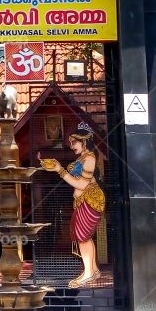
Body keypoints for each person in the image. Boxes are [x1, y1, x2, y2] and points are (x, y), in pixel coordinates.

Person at [43, 123, 105, 288]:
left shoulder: (90, 158)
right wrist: (55, 168)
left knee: (83, 237)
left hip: (90, 200)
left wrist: (59, 170)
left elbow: (82, 185)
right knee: (85, 237)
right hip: (82, 201)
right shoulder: (81, 158)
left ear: (84, 141)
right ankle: (93, 270)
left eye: (74, 142)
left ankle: (88, 273)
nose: (71, 146)